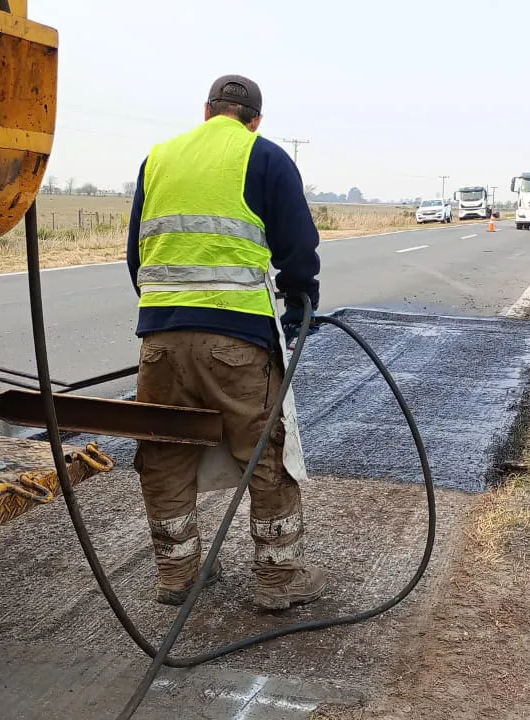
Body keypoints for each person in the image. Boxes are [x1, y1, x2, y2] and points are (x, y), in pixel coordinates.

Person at [125, 74, 325, 610]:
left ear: (207, 110)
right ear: (254, 120)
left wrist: (168, 311)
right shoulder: (265, 157)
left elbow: (135, 255)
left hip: (160, 338)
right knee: (263, 452)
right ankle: (277, 581)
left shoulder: (158, 159)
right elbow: (297, 246)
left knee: (165, 449)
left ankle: (176, 575)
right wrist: (300, 296)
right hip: (236, 338)